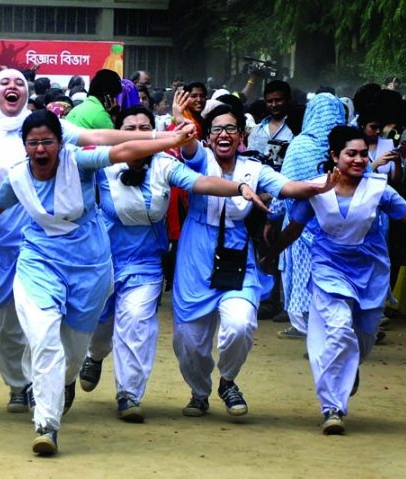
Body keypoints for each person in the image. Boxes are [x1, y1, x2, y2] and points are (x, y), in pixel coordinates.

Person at [0, 68, 176, 412]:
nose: (12, 87)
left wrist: (154, 137)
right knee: (5, 320)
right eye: (5, 83)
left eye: (18, 82)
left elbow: (103, 140)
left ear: (26, 92)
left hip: (46, 237)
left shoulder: (44, 127)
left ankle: (43, 380)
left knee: (47, 317)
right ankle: (17, 383)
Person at [0, 110, 194, 456]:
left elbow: (121, 151)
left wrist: (170, 140)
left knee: (72, 356)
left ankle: (66, 380)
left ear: (60, 143)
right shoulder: (17, 178)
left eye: (47, 142)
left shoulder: (81, 163)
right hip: (38, 264)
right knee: (44, 338)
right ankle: (46, 425)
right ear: (24, 146)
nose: (41, 149)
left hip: (89, 269)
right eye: (34, 143)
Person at [81, 106, 268, 423]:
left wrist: (238, 187)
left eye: (145, 128)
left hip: (146, 264)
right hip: (103, 261)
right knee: (100, 326)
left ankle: (129, 395)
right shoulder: (100, 162)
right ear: (118, 132)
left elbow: (202, 183)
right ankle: (94, 356)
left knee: (137, 324)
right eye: (130, 127)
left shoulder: (166, 164)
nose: (138, 134)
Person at [172, 102, 339, 419]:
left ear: (241, 135)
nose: (224, 134)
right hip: (195, 252)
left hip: (237, 253)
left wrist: (322, 185)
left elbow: (288, 187)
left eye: (231, 128)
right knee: (189, 340)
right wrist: (182, 120)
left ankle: (228, 381)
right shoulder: (198, 159)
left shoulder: (255, 169)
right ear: (208, 137)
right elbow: (188, 143)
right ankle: (199, 391)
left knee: (240, 323)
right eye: (217, 129)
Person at [263, 126, 406, 434]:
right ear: (334, 156)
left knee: (361, 341)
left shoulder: (380, 188)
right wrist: (273, 253)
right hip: (329, 268)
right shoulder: (316, 189)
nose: (358, 160)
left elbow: (405, 215)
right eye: (350, 154)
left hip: (371, 273)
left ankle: (350, 368)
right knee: (339, 330)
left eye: (362, 154)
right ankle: (332, 408)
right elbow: (295, 227)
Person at [274, 93, 346, 339]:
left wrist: (272, 216)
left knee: (302, 272)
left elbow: (283, 186)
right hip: (338, 223)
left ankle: (303, 324)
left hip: (300, 222)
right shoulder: (346, 146)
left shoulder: (301, 144)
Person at [248, 80, 295, 167]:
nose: (274, 105)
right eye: (269, 101)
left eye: (278, 100)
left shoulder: (295, 128)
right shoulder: (257, 130)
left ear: (288, 100)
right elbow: (249, 159)